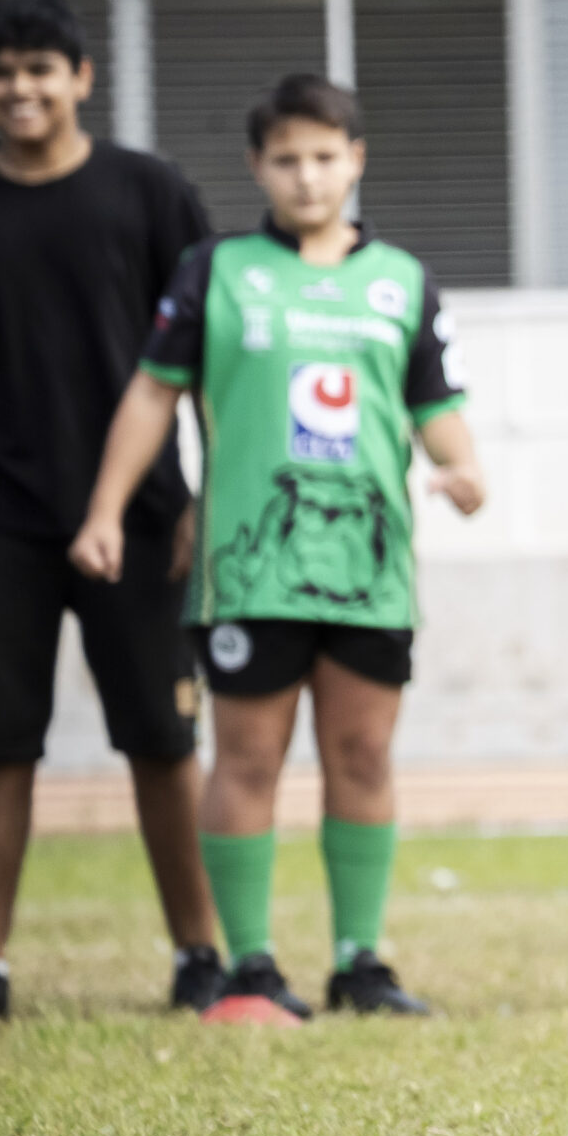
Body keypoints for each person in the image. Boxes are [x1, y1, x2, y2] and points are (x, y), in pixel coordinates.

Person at [70, 73, 487, 1025]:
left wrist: (465, 474)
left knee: (364, 755)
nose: (307, 176)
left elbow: (440, 413)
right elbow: (150, 392)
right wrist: (106, 509)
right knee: (248, 759)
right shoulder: (216, 272)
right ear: (258, 166)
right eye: (287, 159)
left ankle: (360, 962)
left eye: (326, 157)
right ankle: (250, 962)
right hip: (250, 566)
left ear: (357, 161)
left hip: (369, 573)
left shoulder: (403, 282)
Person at [0, 0, 223, 1024]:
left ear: (82, 78)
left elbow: (200, 361)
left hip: (147, 516)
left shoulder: (148, 193)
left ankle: (199, 955)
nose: (20, 89)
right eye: (0, 72)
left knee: (161, 739)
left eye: (40, 68)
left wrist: (206, 494)